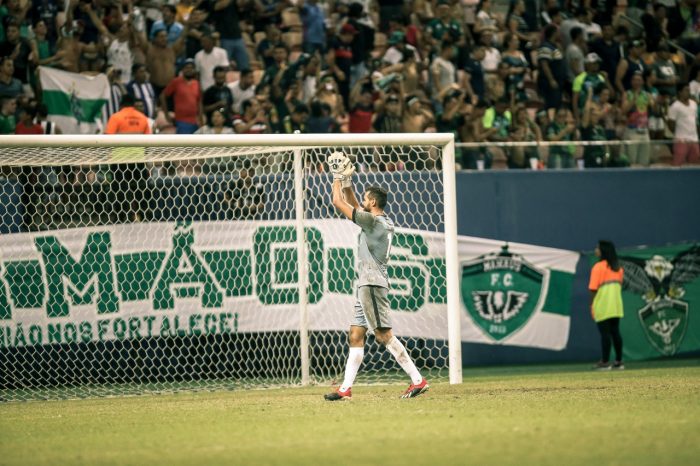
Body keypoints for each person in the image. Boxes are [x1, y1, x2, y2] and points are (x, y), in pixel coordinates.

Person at [324, 153, 428, 400]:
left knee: (383, 335)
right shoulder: (379, 221)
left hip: (371, 283)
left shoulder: (373, 223)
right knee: (356, 334)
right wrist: (348, 181)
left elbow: (338, 202)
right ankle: (345, 389)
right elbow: (352, 203)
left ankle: (418, 380)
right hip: (366, 284)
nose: (363, 200)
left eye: (365, 197)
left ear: (372, 201)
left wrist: (338, 177)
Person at [589, 240, 624, 370]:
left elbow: (593, 289)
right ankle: (619, 361)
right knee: (615, 333)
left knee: (605, 334)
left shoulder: (597, 267)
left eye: (597, 248)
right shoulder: (618, 268)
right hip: (616, 306)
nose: (595, 250)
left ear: (603, 250)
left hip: (603, 306)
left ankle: (604, 362)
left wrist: (591, 305)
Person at [161, 58, 203, 134]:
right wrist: (166, 114)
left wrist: (201, 120)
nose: (189, 70)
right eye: (187, 68)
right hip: (182, 121)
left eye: (191, 68)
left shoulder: (197, 83)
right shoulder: (176, 82)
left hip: (195, 122)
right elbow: (163, 96)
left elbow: (199, 102)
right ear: (182, 69)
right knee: (184, 145)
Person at [667, 84, 700, 166]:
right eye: (686, 90)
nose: (688, 92)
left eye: (689, 90)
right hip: (681, 140)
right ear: (680, 92)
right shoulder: (675, 106)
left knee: (695, 165)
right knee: (678, 164)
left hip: (694, 139)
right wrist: (679, 135)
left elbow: (695, 121)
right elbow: (671, 124)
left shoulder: (694, 104)